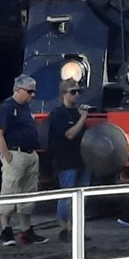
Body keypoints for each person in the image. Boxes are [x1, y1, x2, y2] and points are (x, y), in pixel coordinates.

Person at [0, 75, 46, 246]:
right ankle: (6, 230)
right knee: (9, 191)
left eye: (34, 92)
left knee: (28, 193)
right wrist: (7, 156)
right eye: (30, 91)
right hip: (16, 154)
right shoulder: (7, 107)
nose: (33, 95)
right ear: (18, 89)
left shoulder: (25, 108)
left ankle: (26, 230)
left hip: (30, 154)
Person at [45, 78, 92, 243]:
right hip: (66, 160)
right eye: (73, 92)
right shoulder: (58, 114)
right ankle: (63, 229)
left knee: (82, 196)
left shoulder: (77, 113)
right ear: (64, 94)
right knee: (66, 196)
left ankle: (76, 229)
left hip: (82, 160)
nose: (77, 95)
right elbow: (69, 134)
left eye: (78, 91)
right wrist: (83, 118)